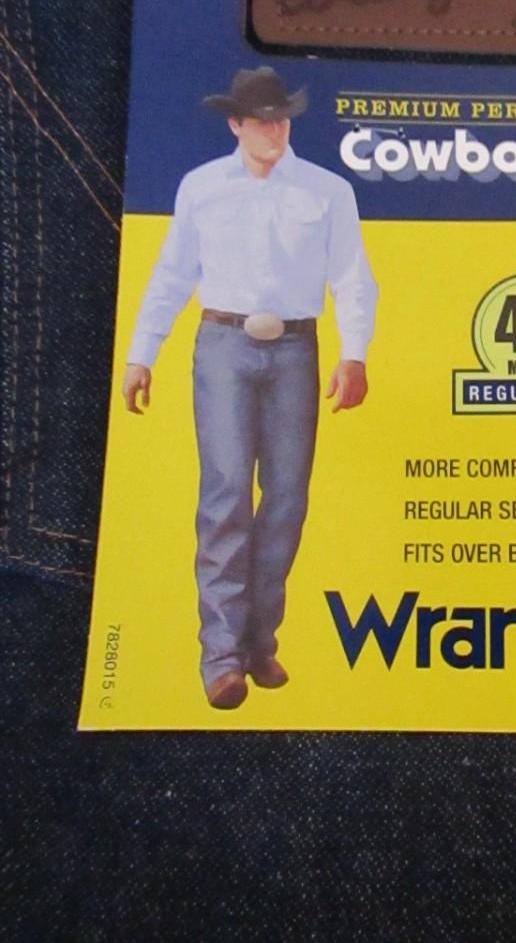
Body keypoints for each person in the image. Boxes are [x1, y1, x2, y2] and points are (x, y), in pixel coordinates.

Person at [120, 66, 378, 710]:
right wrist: (141, 354)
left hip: (296, 349)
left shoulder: (328, 191)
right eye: (261, 119)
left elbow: (352, 277)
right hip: (224, 345)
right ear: (236, 124)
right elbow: (172, 274)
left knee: (287, 497)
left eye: (281, 118)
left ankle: (260, 641)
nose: (274, 129)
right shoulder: (201, 188)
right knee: (227, 492)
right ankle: (221, 656)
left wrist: (354, 354)